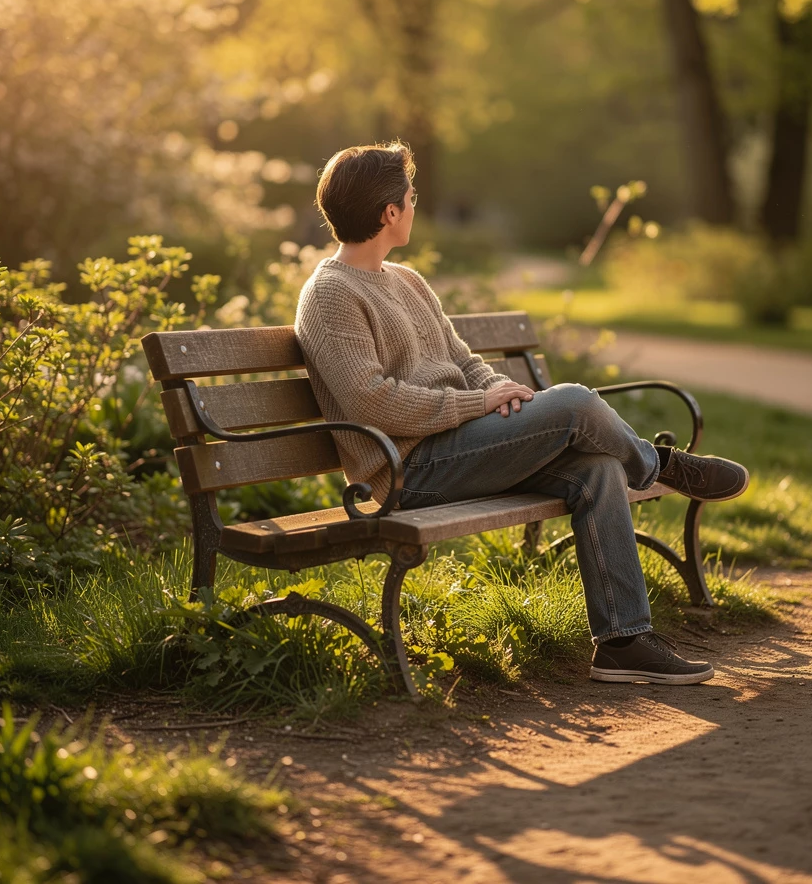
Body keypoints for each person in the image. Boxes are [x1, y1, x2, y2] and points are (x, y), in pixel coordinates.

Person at [294, 143, 750, 685]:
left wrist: (499, 389)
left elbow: (463, 360)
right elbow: (371, 401)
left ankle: (623, 642)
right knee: (576, 401)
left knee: (597, 470)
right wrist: (475, 403)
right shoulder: (330, 294)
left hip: (465, 446)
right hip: (408, 470)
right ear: (388, 213)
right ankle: (661, 466)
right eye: (410, 197)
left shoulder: (408, 281)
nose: (416, 203)